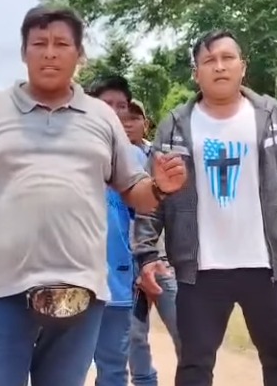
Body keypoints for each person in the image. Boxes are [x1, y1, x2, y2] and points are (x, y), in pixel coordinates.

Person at [0, 5, 187, 386]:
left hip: (80, 288)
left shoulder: (102, 116)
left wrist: (160, 186)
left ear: (79, 54)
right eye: (39, 43)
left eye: (61, 44)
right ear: (24, 52)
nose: (49, 53)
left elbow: (134, 191)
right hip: (1, 289)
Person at [134, 29, 277, 386]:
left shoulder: (275, 117)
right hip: (200, 271)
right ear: (196, 73)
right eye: (209, 60)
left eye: (227, 58)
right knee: (194, 367)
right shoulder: (176, 126)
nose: (219, 66)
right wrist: (146, 253)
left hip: (269, 268)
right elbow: (155, 190)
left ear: (243, 67)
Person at [85, 76, 142, 386]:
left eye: (122, 106)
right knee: (61, 369)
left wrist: (143, 265)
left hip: (117, 281)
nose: (116, 112)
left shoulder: (136, 159)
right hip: (71, 279)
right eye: (107, 104)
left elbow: (145, 219)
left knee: (114, 370)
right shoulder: (66, 152)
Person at [122, 99, 180, 386]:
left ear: (146, 123)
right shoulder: (108, 158)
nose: (127, 123)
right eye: (122, 118)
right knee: (134, 336)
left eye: (134, 118)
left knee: (183, 327)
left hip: (162, 258)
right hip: (123, 261)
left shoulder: (163, 157)